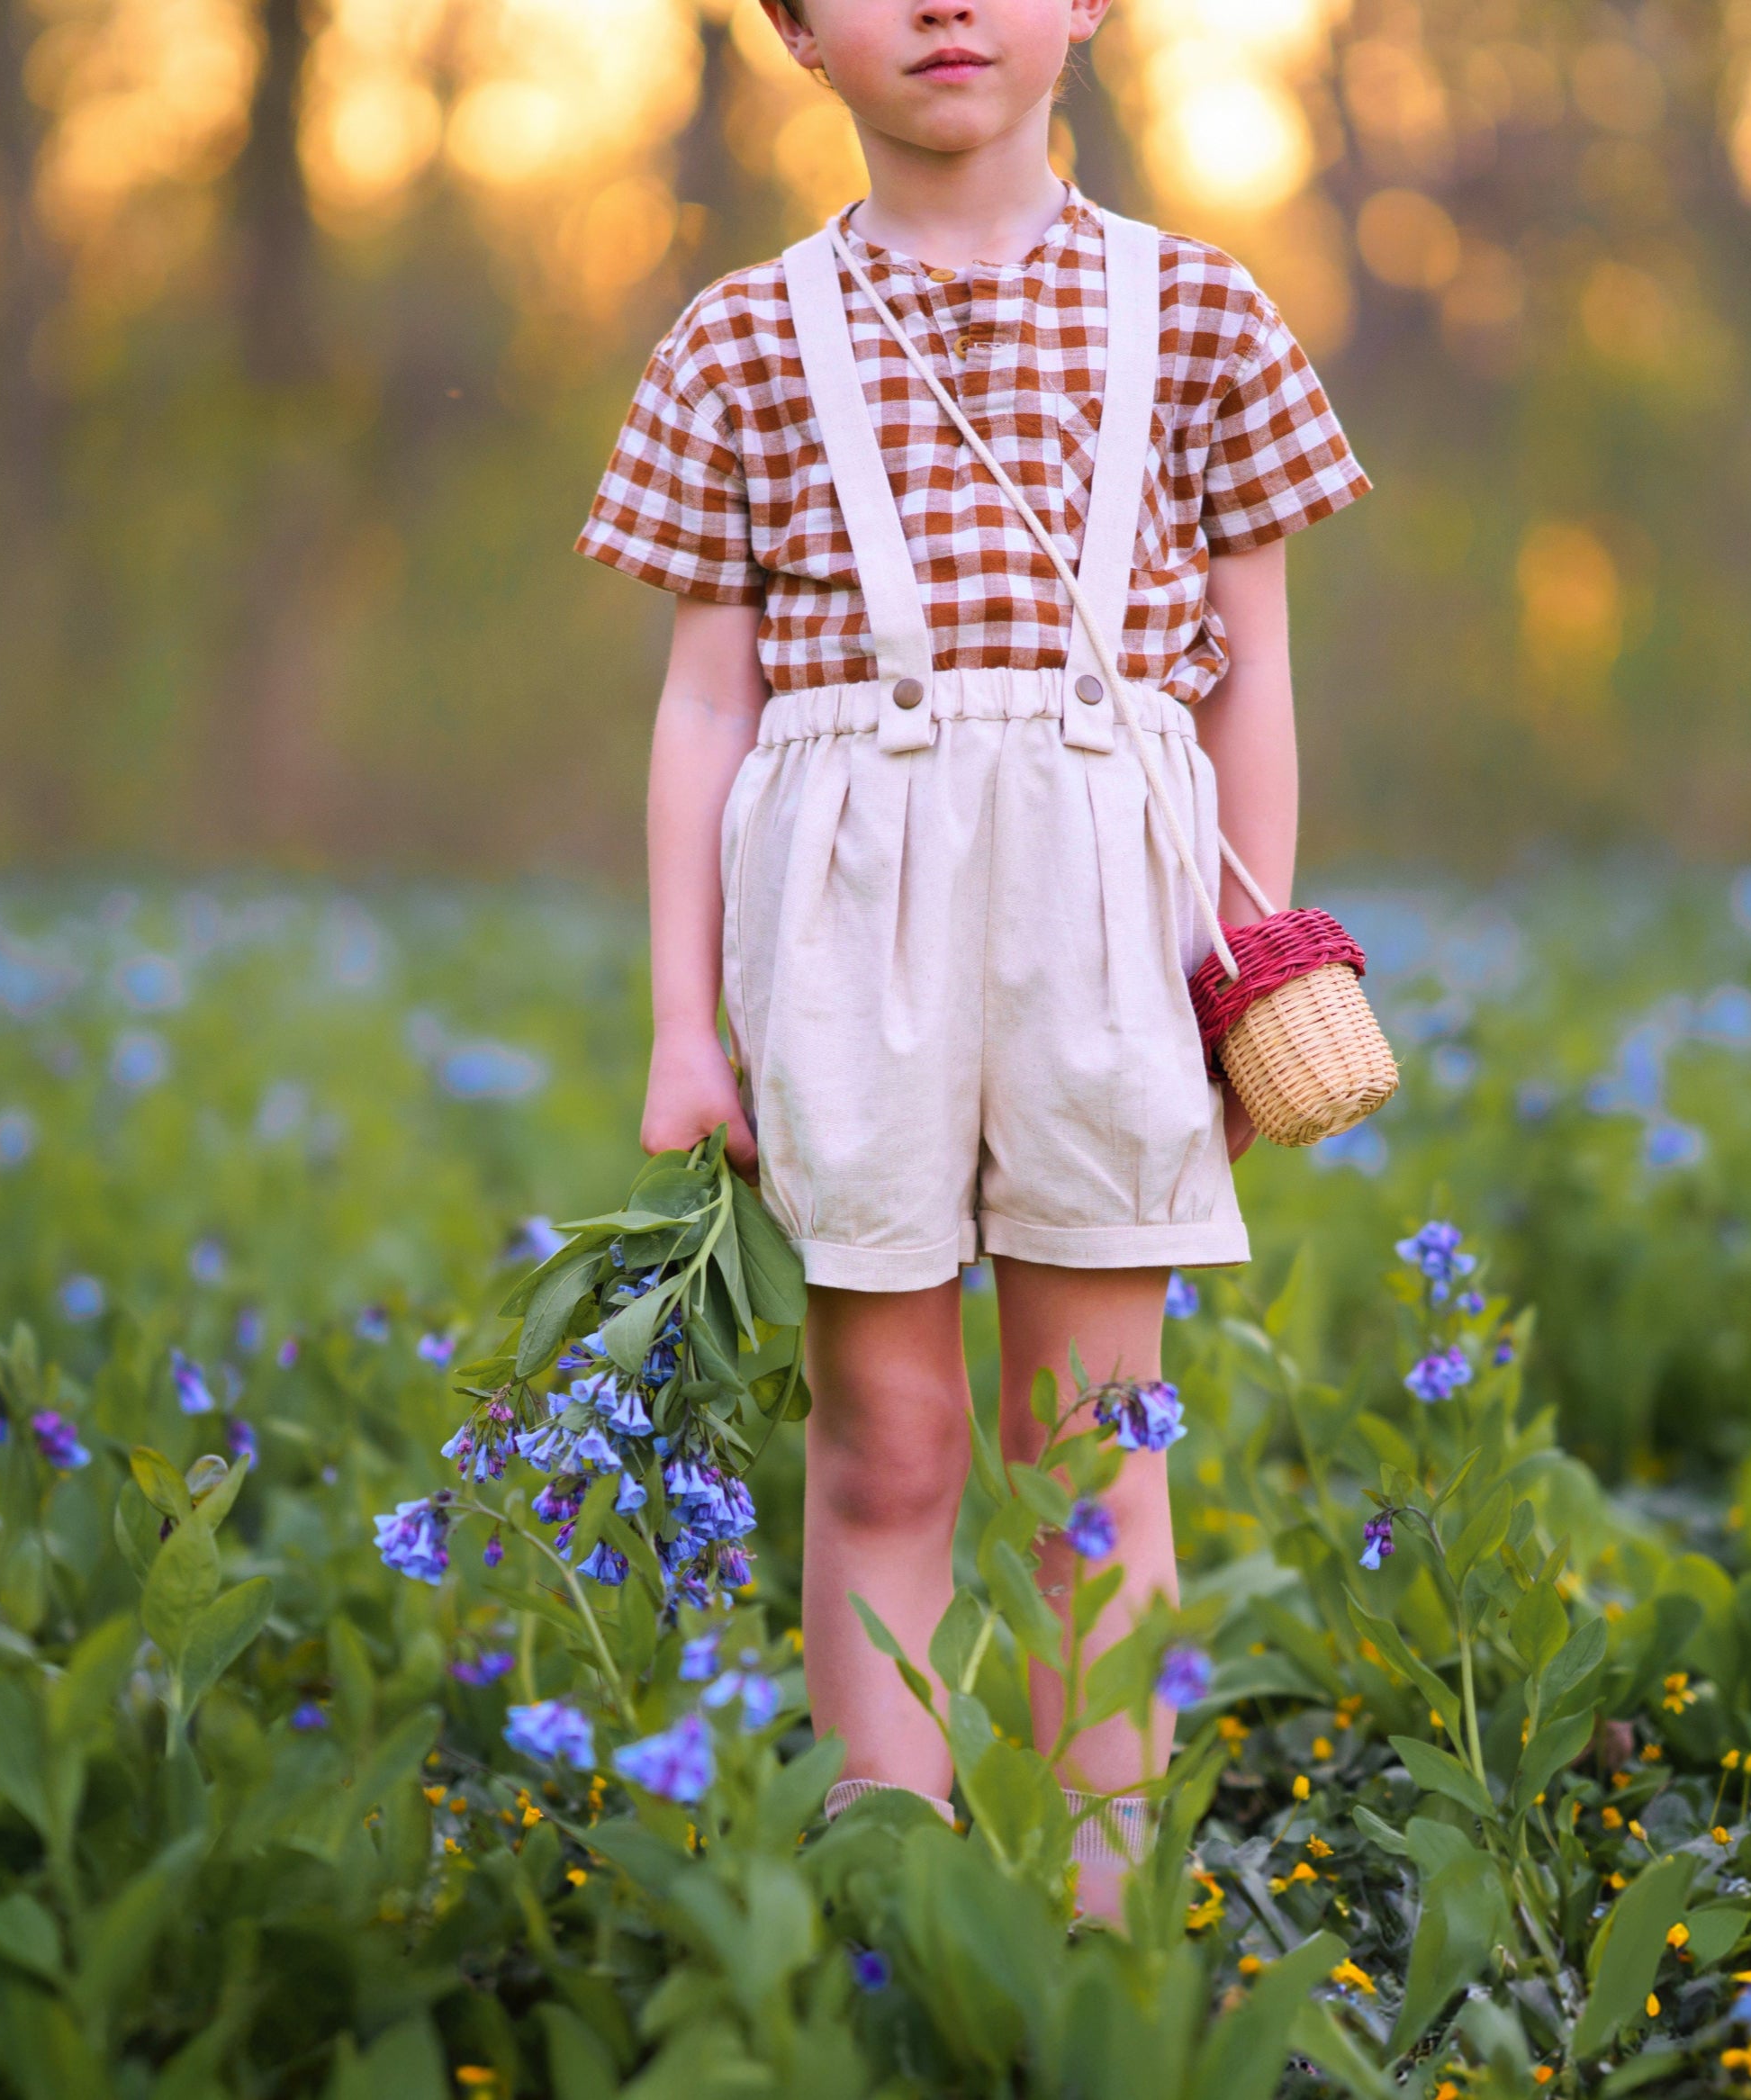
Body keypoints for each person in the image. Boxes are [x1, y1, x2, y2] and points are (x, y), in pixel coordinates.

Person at [575, 0, 1368, 1918]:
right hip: (850, 921)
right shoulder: (741, 338)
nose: (945, 5)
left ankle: (1096, 1915)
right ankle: (896, 1908)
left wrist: (1242, 956)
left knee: (1091, 1442)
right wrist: (687, 1020)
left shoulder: (1201, 315)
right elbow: (703, 711)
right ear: (789, 29)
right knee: (892, 1438)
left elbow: (1252, 676)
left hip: (1113, 910)